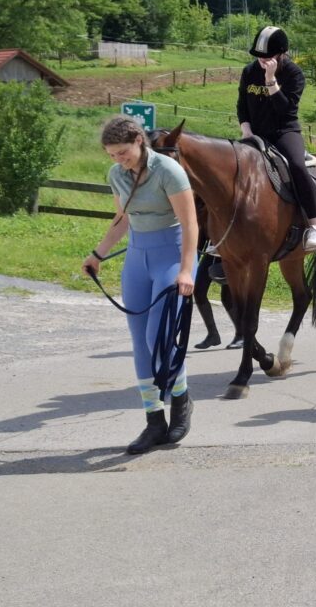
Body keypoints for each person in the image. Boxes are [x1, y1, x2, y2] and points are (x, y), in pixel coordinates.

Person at [81, 116, 197, 454]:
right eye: (112, 155)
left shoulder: (168, 171)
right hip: (137, 257)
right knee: (140, 343)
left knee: (156, 337)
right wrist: (97, 254)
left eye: (122, 152)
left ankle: (181, 399)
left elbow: (191, 225)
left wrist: (187, 271)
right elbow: (122, 220)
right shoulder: (117, 175)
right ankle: (153, 421)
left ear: (138, 140)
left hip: (171, 256)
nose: (119, 160)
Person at [238, 25, 316, 252]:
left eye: (267, 57)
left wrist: (270, 80)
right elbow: (242, 105)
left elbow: (285, 110)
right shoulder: (248, 72)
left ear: (281, 54)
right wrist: (246, 130)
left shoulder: (294, 74)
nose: (262, 61)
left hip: (284, 132)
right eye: (259, 57)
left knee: (297, 165)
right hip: (254, 133)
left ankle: (315, 226)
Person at [192, 224, 242, 350]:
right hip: (210, 254)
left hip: (230, 255)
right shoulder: (205, 209)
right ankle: (213, 334)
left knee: (227, 298)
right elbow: (202, 232)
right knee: (198, 292)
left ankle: (242, 334)